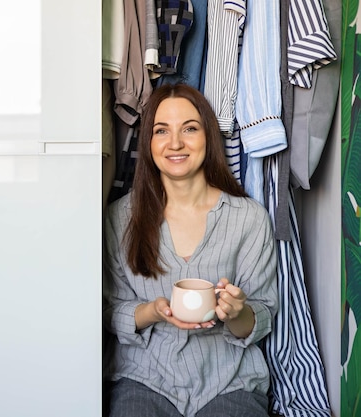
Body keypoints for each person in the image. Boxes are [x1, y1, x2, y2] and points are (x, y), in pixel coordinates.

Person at [103, 83, 278, 417]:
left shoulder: (249, 218)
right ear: (149, 143)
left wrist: (237, 312)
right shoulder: (119, 218)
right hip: (144, 377)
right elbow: (109, 311)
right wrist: (153, 311)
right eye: (161, 131)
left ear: (208, 137)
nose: (176, 143)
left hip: (229, 380)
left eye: (190, 129)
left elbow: (264, 315)